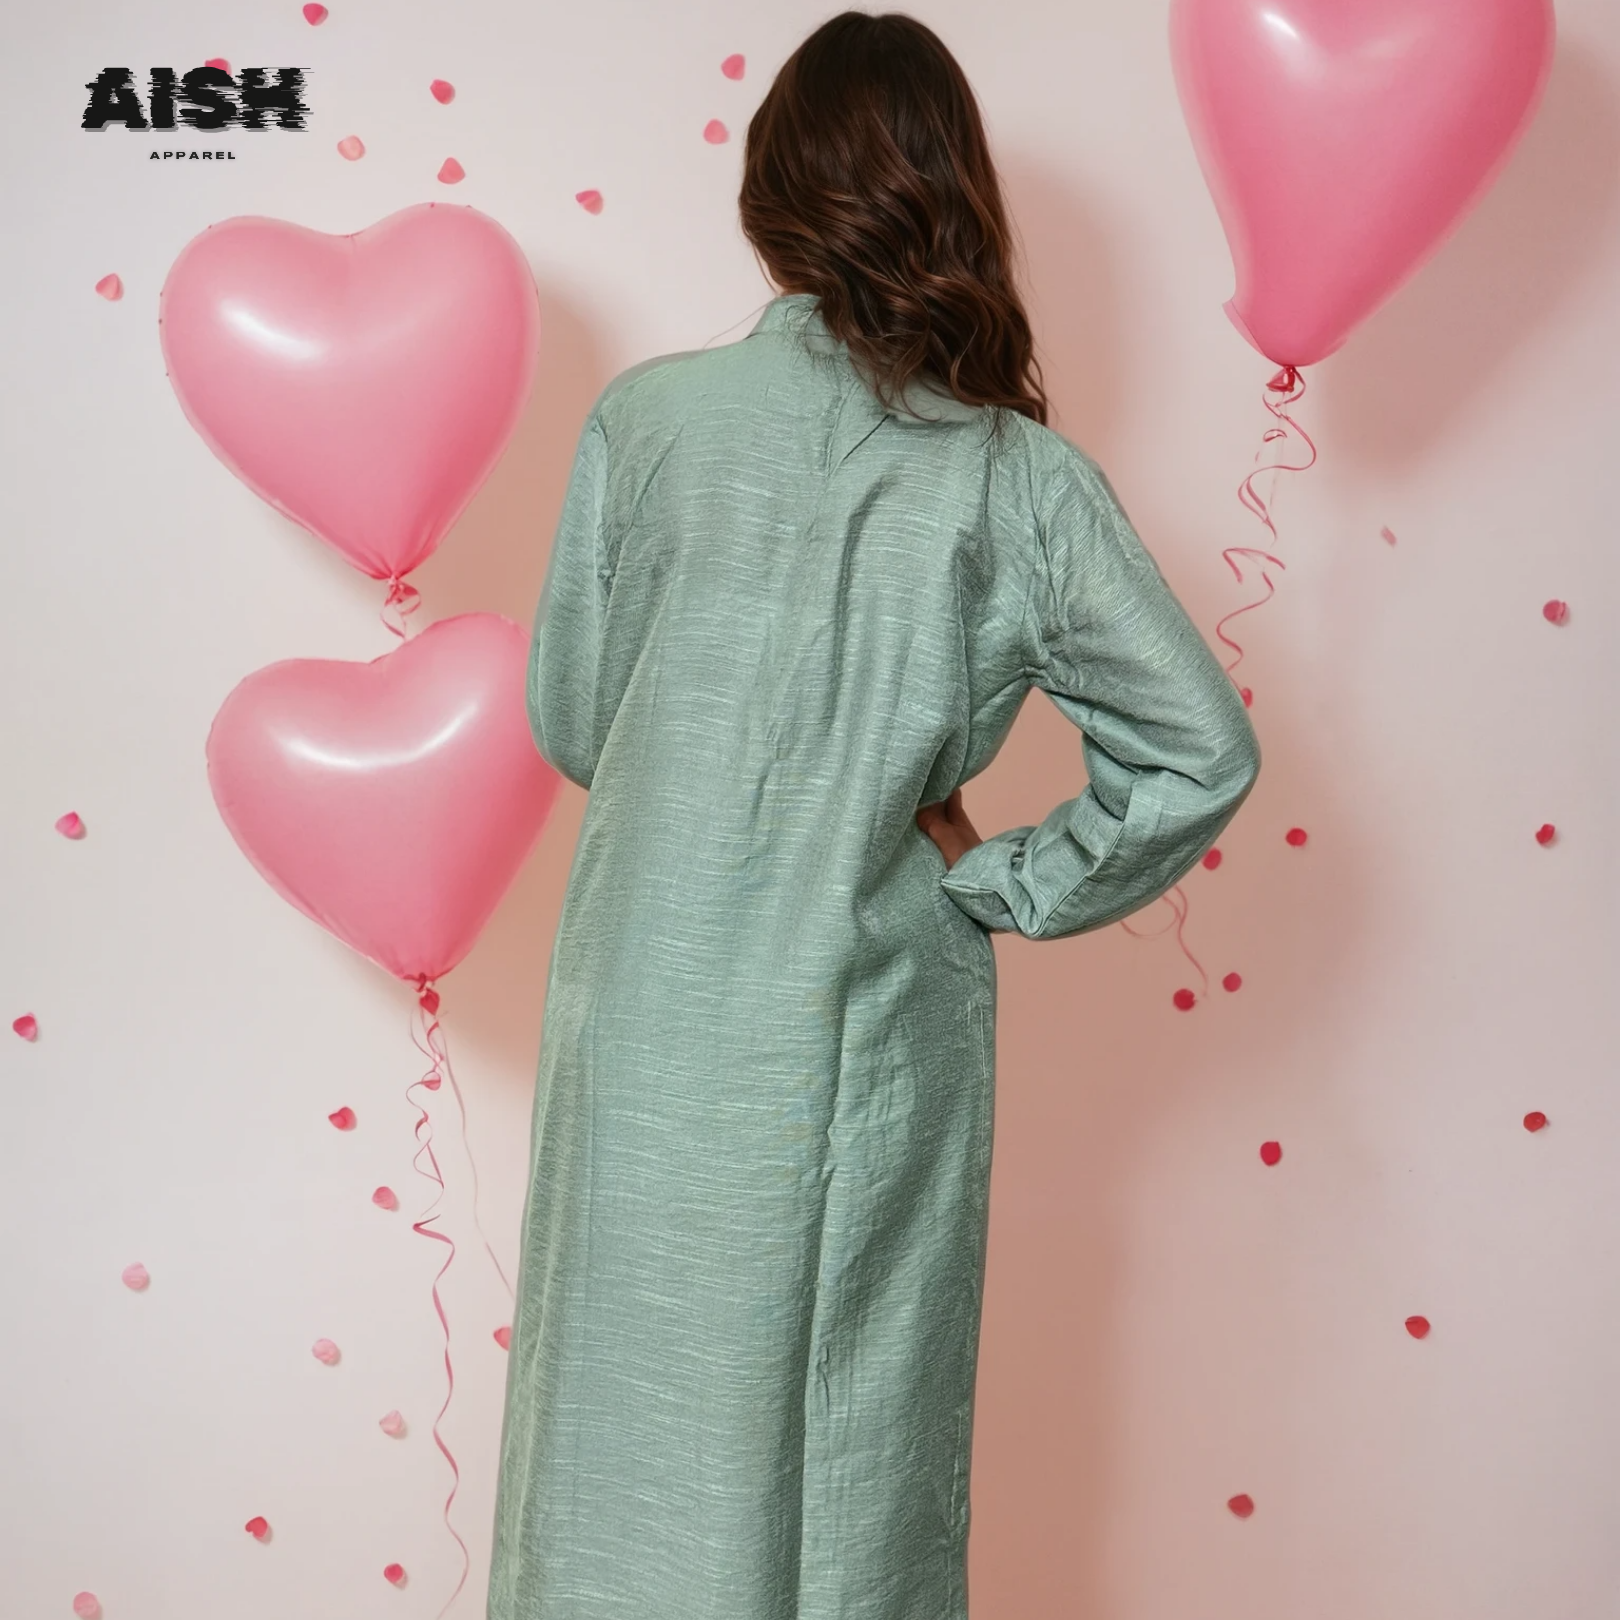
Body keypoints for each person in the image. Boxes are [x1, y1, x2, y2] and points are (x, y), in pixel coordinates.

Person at [486, 12, 1260, 1619]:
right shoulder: (1011, 478)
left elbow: (575, 719)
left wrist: (717, 769)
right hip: (859, 1022)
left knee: (616, 1418)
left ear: (773, 192)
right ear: (955, 195)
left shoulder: (645, 422)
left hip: (640, 1008)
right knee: (844, 1429)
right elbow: (1196, 749)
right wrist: (1002, 878)